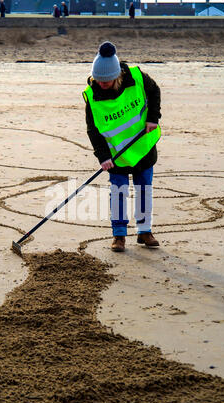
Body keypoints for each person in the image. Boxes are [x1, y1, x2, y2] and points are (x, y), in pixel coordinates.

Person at [83, 41, 161, 252]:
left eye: (107, 80)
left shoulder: (137, 77)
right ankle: (119, 236)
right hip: (116, 153)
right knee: (118, 192)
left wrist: (153, 118)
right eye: (99, 80)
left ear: (116, 76)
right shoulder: (92, 96)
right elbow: (93, 129)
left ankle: (145, 232)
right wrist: (102, 156)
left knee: (144, 189)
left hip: (141, 146)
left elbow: (154, 92)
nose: (102, 84)